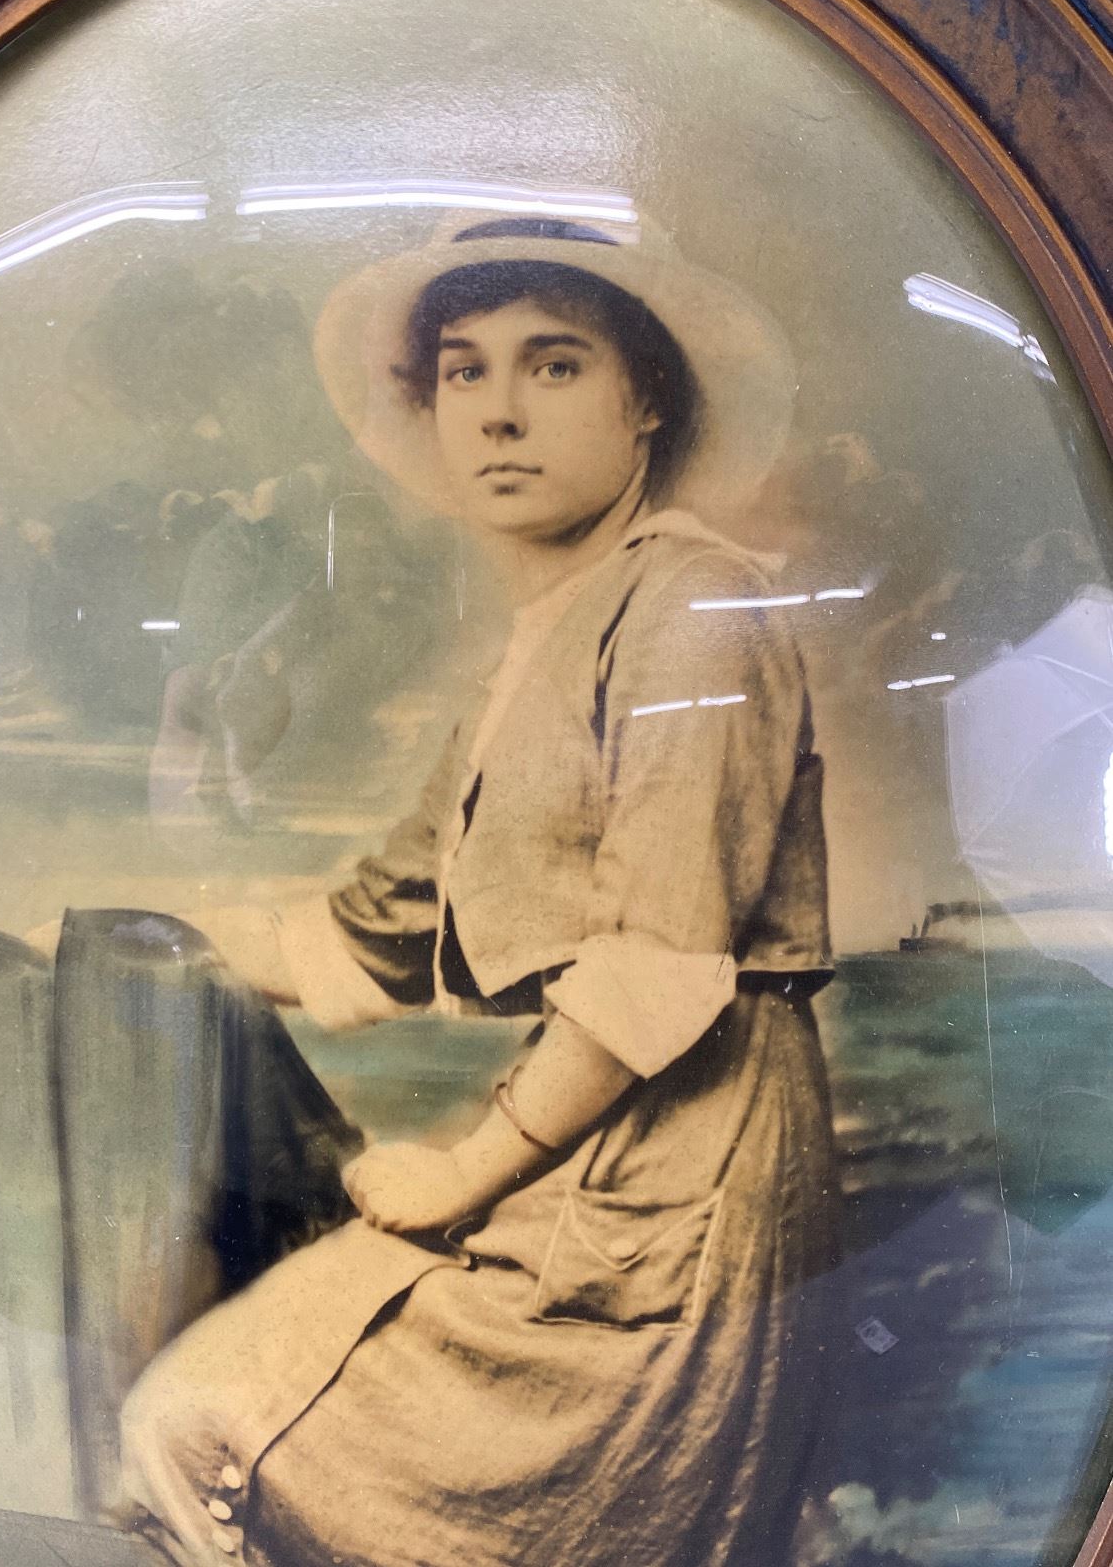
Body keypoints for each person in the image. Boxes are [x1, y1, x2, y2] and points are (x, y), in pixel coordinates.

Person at [119, 214, 840, 1567]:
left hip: (681, 1188)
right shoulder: (551, 640)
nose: (499, 413)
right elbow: (377, 930)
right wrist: (126, 935)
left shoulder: (696, 612)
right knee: (191, 1420)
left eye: (554, 365)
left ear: (646, 404)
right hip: (583, 1162)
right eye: (465, 369)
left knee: (204, 1431)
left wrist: (459, 1173)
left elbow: (654, 966)